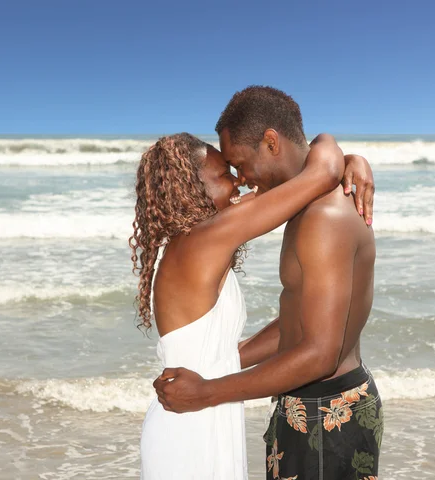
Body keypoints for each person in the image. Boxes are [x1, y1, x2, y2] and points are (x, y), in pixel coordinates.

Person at [153, 86, 381, 480]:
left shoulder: (322, 219)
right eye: (229, 171)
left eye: (239, 164)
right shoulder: (305, 209)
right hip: (307, 407)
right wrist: (221, 363)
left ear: (271, 142)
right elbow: (300, 320)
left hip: (326, 413)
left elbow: (320, 353)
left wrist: (209, 391)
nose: (241, 180)